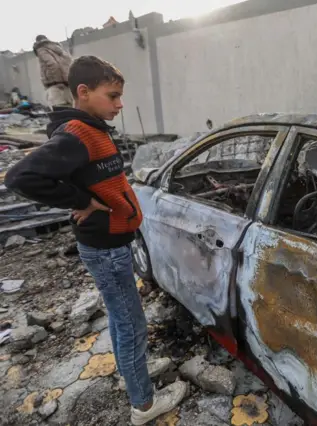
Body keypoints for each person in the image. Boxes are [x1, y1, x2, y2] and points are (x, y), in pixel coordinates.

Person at [5, 56, 187, 425]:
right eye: (113, 96)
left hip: (110, 244)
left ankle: (132, 374)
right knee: (130, 323)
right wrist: (80, 201)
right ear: (84, 92)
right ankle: (144, 405)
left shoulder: (92, 129)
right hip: (105, 248)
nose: (120, 104)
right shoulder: (77, 134)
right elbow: (19, 177)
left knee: (124, 321)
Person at [33, 35, 74, 107]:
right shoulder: (58, 49)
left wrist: (57, 82)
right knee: (70, 110)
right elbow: (70, 62)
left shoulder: (41, 49)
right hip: (67, 85)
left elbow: (53, 64)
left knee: (59, 112)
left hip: (55, 86)